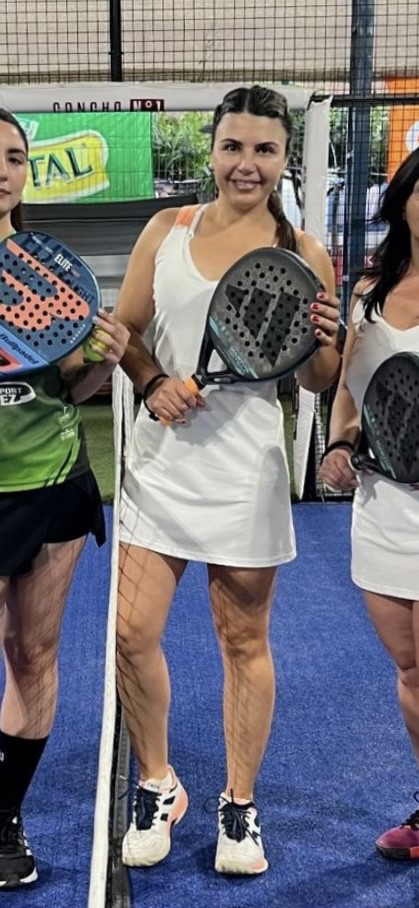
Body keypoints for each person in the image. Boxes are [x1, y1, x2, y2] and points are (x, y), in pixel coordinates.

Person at [115, 84, 340, 876]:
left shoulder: (305, 251)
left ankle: (239, 804)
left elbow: (315, 379)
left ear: (284, 159)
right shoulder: (165, 230)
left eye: (264, 149)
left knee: (243, 641)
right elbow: (128, 333)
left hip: (245, 473)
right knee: (129, 634)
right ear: (212, 151)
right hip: (159, 468)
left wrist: (326, 341)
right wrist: (151, 381)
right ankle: (157, 783)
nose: (247, 163)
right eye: (233, 147)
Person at [0, 108, 129, 890]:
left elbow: (71, 388)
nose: (3, 170)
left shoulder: (48, 275)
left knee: (31, 652)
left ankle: (3, 817)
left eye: (15, 156)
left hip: (51, 485)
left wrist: (105, 365)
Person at [319, 146, 419, 860]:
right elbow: (350, 391)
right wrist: (338, 442)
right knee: (410, 672)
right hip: (382, 511)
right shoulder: (368, 294)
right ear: (403, 198)